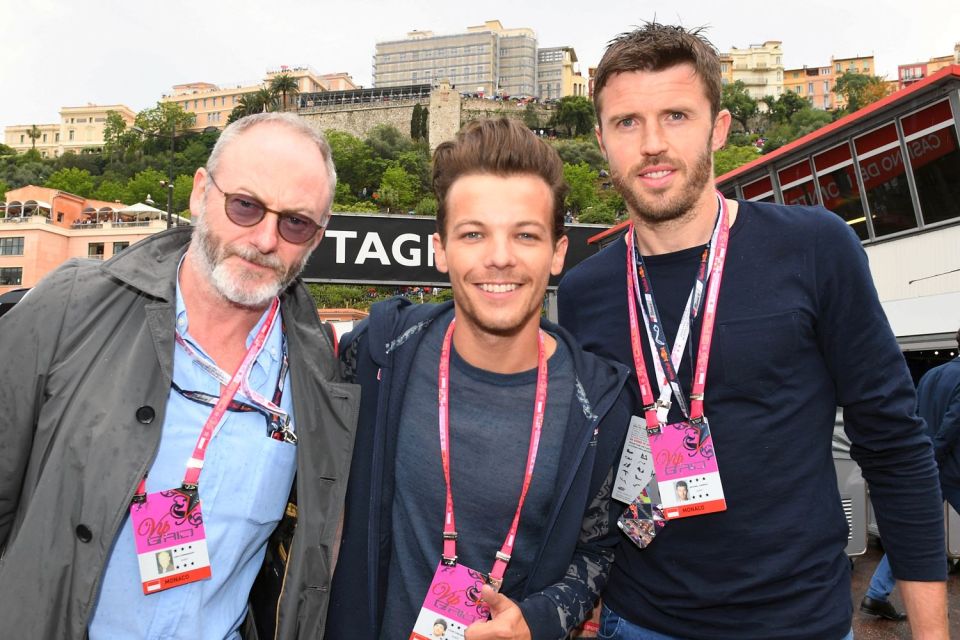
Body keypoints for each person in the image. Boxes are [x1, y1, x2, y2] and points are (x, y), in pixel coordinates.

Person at [557, 23, 948, 640]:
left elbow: (895, 447)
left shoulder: (816, 247)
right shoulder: (583, 292)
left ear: (719, 128)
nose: (652, 143)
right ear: (602, 139)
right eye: (627, 122)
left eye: (677, 115)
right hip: (639, 622)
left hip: (796, 623)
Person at [0, 112, 359, 640]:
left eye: (295, 223)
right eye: (245, 206)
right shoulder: (71, 306)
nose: (264, 239)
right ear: (199, 194)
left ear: (317, 236)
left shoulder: (318, 376)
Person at [325, 118, 632, 640]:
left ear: (557, 253)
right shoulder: (376, 356)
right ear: (441, 248)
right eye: (473, 234)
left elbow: (600, 550)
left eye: (526, 235)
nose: (499, 257)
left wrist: (536, 621)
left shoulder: (600, 404)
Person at [861, 326, 960, 621]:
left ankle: (876, 594)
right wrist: (934, 456)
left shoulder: (932, 375)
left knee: (915, 532)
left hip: (927, 465)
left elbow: (915, 414)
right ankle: (876, 595)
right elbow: (953, 424)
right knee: (916, 532)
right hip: (950, 467)